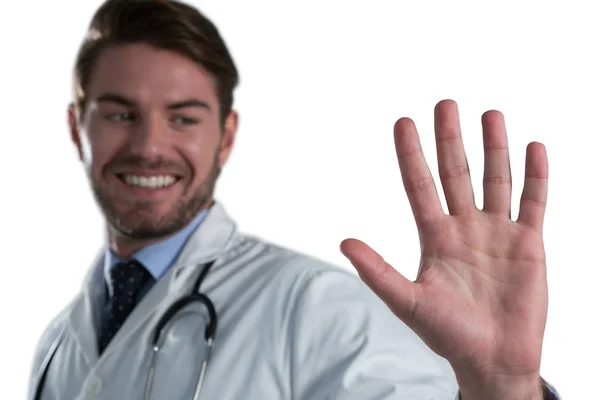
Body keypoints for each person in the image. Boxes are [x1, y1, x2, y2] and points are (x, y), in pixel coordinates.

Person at [28, 1, 561, 399]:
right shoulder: (56, 346)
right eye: (120, 114)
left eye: (183, 118)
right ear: (77, 128)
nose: (148, 147)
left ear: (226, 136)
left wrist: (501, 387)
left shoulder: (314, 308)